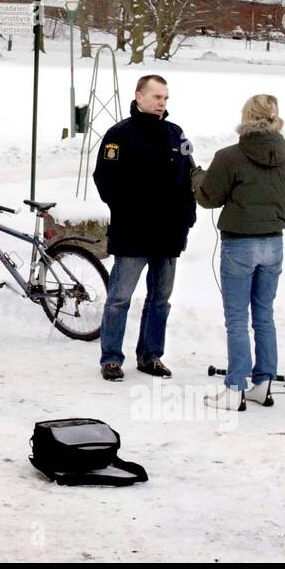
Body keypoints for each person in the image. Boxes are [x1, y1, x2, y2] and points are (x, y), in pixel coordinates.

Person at [192, 95, 285, 410]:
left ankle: (234, 389)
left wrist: (196, 176)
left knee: (236, 318)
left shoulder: (230, 156)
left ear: (247, 117)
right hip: (273, 243)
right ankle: (263, 384)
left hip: (239, 244)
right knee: (264, 316)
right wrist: (277, 212)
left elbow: (208, 196)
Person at [93, 74, 196, 381]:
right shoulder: (119, 135)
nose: (161, 103)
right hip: (133, 231)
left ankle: (151, 355)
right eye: (156, 97)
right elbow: (105, 181)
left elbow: (189, 177)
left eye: (165, 98)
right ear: (138, 96)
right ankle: (111, 358)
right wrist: (130, 209)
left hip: (168, 233)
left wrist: (187, 216)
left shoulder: (175, 134)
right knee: (120, 298)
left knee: (160, 300)